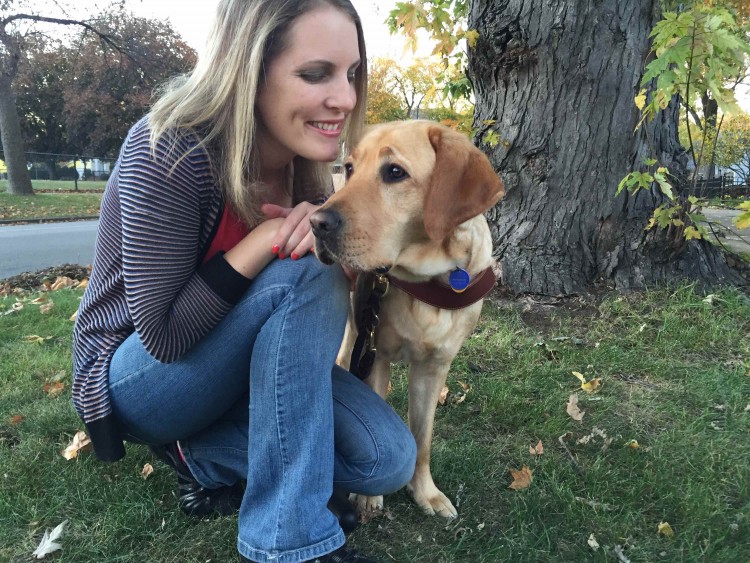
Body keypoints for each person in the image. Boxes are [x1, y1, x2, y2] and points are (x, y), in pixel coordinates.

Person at [71, 1, 417, 562]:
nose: (346, 98)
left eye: (351, 74)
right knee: (303, 267)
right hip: (134, 379)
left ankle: (199, 457)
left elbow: (291, 319)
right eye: (315, 74)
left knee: (386, 460)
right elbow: (163, 337)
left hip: (232, 377)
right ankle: (291, 537)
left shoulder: (307, 163)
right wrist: (265, 241)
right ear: (249, 69)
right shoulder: (168, 149)